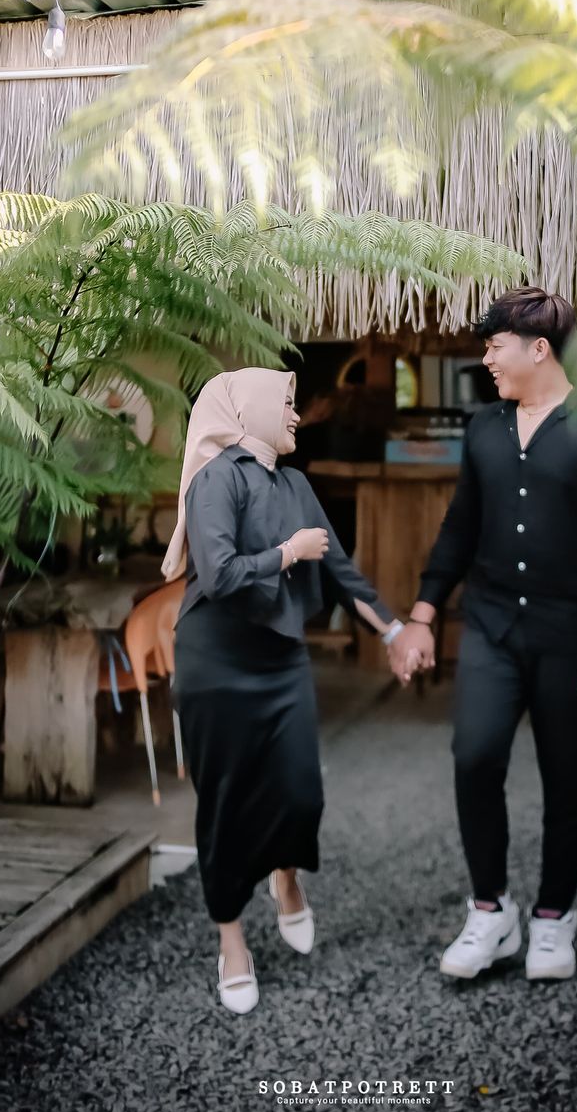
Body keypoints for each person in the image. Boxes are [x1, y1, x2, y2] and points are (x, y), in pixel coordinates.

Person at [389, 287, 577, 983]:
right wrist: (423, 615)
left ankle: (554, 917)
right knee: (474, 757)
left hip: (576, 634)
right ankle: (491, 910)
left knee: (569, 776)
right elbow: (460, 526)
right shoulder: (484, 427)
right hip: (492, 626)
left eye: (494, 346)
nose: (486, 359)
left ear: (539, 349)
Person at [162, 368, 406, 1014]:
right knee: (225, 806)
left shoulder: (297, 485)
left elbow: (341, 570)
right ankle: (231, 941)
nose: (297, 416)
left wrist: (395, 631)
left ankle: (286, 876)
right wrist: (287, 553)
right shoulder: (216, 479)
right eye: (289, 404)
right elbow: (218, 575)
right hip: (216, 664)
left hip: (280, 661)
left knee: (301, 790)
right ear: (252, 411)